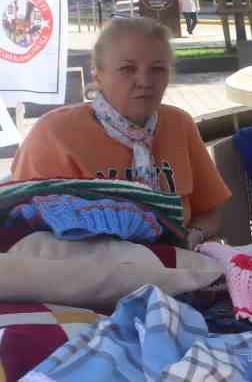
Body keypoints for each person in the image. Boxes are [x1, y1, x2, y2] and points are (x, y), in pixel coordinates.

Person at [11, 17, 232, 248]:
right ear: (98, 76)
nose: (145, 81)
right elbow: (22, 229)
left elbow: (209, 211)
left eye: (157, 69)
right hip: (84, 275)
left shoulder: (179, 124)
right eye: (127, 69)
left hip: (177, 266)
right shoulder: (53, 134)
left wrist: (193, 236)